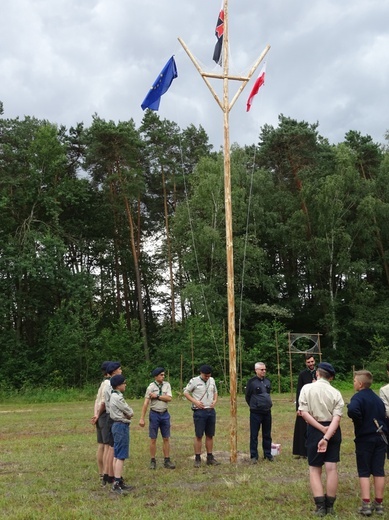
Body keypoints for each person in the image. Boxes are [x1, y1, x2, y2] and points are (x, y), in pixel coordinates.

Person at [299, 362, 344, 517]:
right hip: (333, 430)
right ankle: (330, 506)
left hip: (315, 429)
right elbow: (337, 419)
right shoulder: (336, 392)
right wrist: (327, 434)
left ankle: (320, 507)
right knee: (331, 468)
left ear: (317, 373)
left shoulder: (306, 388)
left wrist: (321, 430)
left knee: (314, 468)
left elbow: (304, 413)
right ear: (330, 377)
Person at [347, 370, 387, 516]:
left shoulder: (358, 397)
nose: (354, 383)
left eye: (354, 381)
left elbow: (352, 410)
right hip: (380, 437)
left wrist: (359, 421)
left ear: (360, 383)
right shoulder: (377, 399)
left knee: (364, 471)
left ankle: (366, 504)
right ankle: (379, 504)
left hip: (365, 439)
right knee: (378, 470)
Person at [139, 367, 176, 470]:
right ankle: (152, 460)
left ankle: (167, 460)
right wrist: (142, 418)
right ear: (156, 376)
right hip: (154, 414)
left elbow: (169, 398)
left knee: (166, 438)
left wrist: (157, 396)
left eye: (164, 375)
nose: (163, 376)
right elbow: (146, 403)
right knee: (153, 439)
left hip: (165, 414)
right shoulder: (150, 387)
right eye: (161, 375)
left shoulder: (167, 385)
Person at [184, 364, 220, 468]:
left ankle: (210, 457)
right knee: (199, 435)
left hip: (210, 410)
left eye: (209, 375)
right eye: (205, 376)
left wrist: (215, 400)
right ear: (201, 373)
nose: (207, 377)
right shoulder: (194, 381)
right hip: (199, 411)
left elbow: (215, 392)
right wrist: (195, 402)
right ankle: (198, 458)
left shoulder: (212, 380)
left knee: (210, 435)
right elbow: (186, 392)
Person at [109, 373, 134, 495]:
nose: (125, 385)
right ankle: (117, 482)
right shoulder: (118, 398)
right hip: (121, 426)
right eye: (124, 383)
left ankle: (117, 479)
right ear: (118, 385)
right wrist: (128, 414)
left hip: (116, 425)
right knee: (121, 456)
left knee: (116, 454)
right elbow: (130, 412)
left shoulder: (112, 396)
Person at [245, 361, 273, 463]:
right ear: (256, 370)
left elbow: (267, 394)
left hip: (267, 412)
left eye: (265, 369)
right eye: (262, 370)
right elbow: (247, 396)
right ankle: (254, 456)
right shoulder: (251, 382)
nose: (264, 371)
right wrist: (254, 405)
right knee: (254, 435)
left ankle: (268, 454)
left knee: (267, 434)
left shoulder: (267, 381)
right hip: (255, 412)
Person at [90, 361, 112, 484]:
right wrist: (98, 415)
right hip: (103, 415)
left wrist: (95, 414)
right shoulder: (108, 384)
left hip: (99, 415)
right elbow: (103, 402)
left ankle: (101, 472)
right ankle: (105, 473)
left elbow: (96, 401)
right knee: (106, 445)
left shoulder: (102, 383)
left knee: (101, 444)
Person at [102, 361, 122, 487]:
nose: (121, 371)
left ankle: (107, 474)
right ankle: (111, 475)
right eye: (120, 369)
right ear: (114, 371)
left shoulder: (107, 385)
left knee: (110, 447)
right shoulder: (111, 386)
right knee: (112, 448)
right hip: (113, 417)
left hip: (110, 416)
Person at [293, 354, 317, 458]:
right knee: (301, 427)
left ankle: (314, 450)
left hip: (316, 405)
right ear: (306, 363)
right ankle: (302, 451)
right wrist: (298, 407)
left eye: (312, 361)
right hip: (305, 404)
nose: (311, 364)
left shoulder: (319, 373)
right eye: (308, 362)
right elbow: (299, 391)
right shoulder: (302, 374)